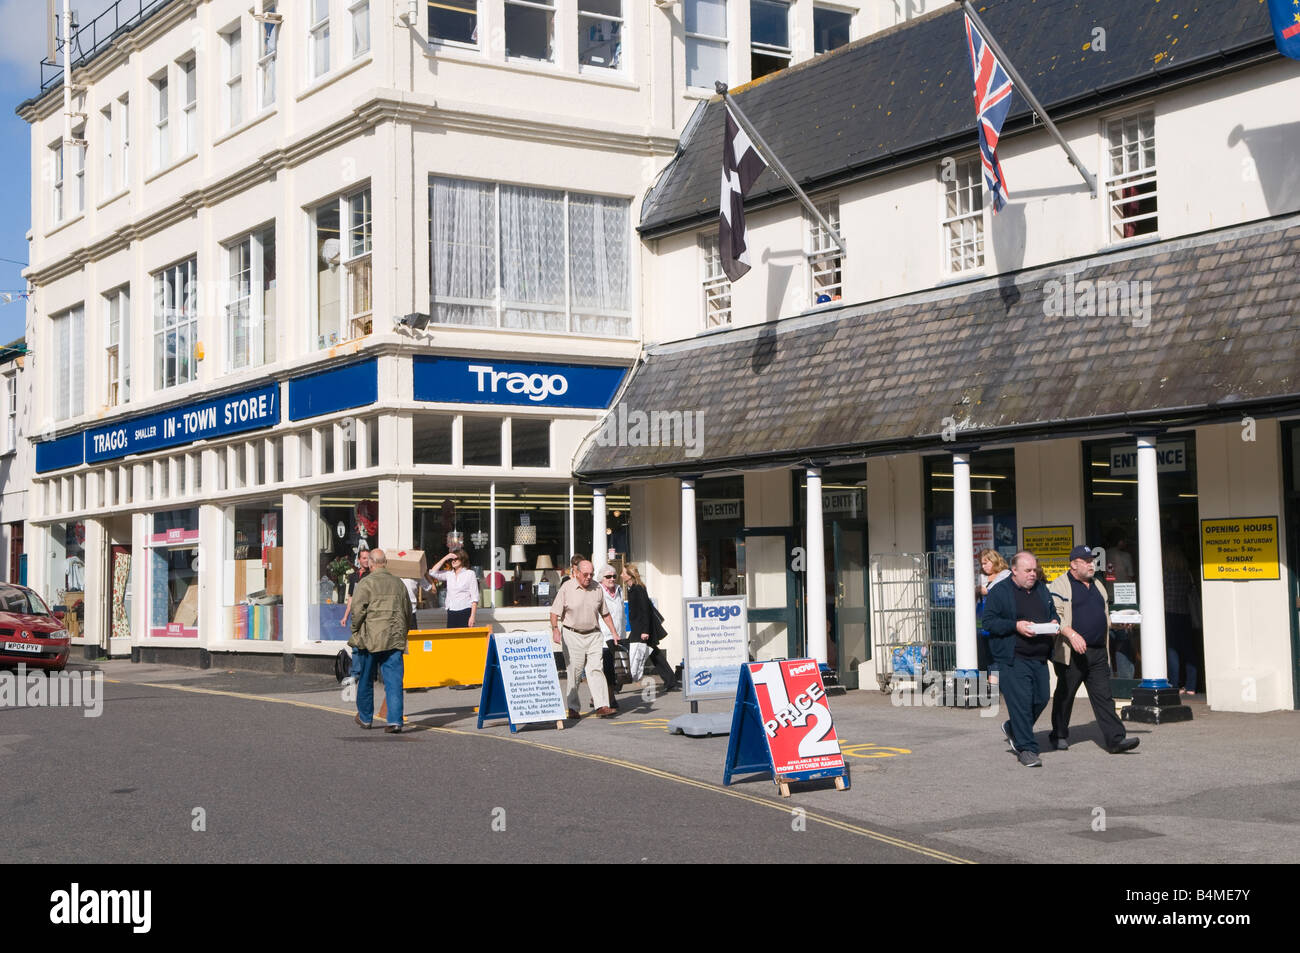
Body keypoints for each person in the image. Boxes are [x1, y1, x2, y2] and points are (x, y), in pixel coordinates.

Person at [1047, 546, 1139, 753]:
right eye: (1086, 561)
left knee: (1104, 697)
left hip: (1097, 651)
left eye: (1092, 561)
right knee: (1065, 695)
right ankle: (1059, 734)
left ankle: (1116, 740)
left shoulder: (1098, 584)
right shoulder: (1060, 585)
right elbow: (1056, 616)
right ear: (1073, 564)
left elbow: (1103, 616)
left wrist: (1117, 623)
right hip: (1072, 651)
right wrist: (1071, 634)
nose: (1091, 564)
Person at [982, 551, 1060, 767]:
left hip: (1039, 656)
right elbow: (988, 622)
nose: (1033, 574)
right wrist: (1015, 625)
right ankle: (1027, 749)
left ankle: (1014, 728)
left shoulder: (1041, 589)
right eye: (1028, 571)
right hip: (1013, 657)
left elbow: (1053, 611)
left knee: (1042, 698)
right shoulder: (1000, 591)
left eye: (1035, 570)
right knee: (1022, 704)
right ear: (1014, 571)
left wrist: (1054, 622)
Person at [349, 549, 415, 733]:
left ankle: (365, 717)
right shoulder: (399, 584)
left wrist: (355, 630)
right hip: (394, 638)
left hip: (371, 638)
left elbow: (358, 611)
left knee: (366, 679)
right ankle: (395, 721)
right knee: (394, 681)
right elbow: (408, 611)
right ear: (385, 562)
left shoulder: (366, 583)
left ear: (370, 563)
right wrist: (404, 631)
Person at [550, 559, 619, 719]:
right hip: (572, 634)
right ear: (577, 573)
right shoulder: (567, 588)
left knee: (596, 669)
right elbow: (554, 612)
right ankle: (573, 708)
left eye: (591, 574)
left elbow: (605, 613)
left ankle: (602, 705)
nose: (589, 577)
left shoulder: (597, 588)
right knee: (574, 671)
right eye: (585, 574)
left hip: (594, 634)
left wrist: (614, 632)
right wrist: (555, 630)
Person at [623, 562, 677, 693]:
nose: (621, 575)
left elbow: (645, 611)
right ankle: (670, 680)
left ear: (629, 575)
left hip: (642, 628)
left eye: (623, 573)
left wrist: (645, 631)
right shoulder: (632, 589)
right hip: (639, 627)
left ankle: (618, 684)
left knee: (632, 651)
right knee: (655, 654)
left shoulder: (638, 589)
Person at [1162, 546, 1198, 695]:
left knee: (1172, 650)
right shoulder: (1187, 574)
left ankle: (1175, 684)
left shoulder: (1165, 574)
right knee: (1189, 650)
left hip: (1169, 614)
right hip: (1185, 613)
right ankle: (1191, 686)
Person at [975, 549, 1010, 687]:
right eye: (982, 564)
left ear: (994, 560)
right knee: (984, 657)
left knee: (996, 656)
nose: (984, 566)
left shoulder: (1005, 574)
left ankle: (994, 687)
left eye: (986, 563)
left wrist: (983, 590)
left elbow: (997, 592)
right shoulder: (982, 577)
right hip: (981, 622)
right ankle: (987, 686)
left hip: (998, 622)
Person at [596, 563, 625, 710]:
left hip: (618, 635)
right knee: (607, 668)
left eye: (614, 576)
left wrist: (622, 633)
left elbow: (621, 614)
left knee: (618, 669)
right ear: (601, 578)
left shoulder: (619, 590)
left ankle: (605, 696)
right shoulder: (598, 591)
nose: (612, 579)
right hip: (604, 636)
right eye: (608, 576)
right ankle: (610, 699)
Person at [428, 548, 479, 628]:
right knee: (452, 639)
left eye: (456, 559)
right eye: (451, 559)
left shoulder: (470, 574)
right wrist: (446, 558)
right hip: (451, 611)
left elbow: (474, 597)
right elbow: (432, 572)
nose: (453, 561)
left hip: (465, 610)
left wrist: (472, 617)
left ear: (462, 560)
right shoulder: (449, 574)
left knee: (464, 639)